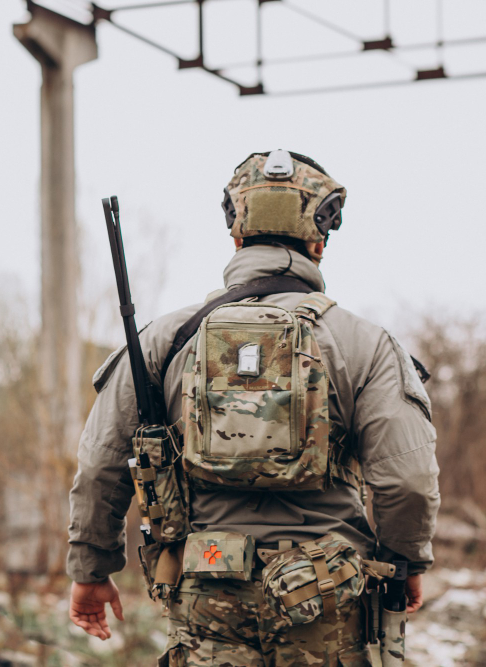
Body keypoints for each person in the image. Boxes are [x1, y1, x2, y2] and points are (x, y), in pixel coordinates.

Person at [66, 150, 439, 665]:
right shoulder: (366, 344)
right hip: (327, 597)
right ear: (319, 243)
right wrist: (404, 563)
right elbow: (407, 481)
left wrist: (91, 570)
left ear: (237, 238)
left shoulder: (161, 340)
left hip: (205, 588)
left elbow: (101, 464)